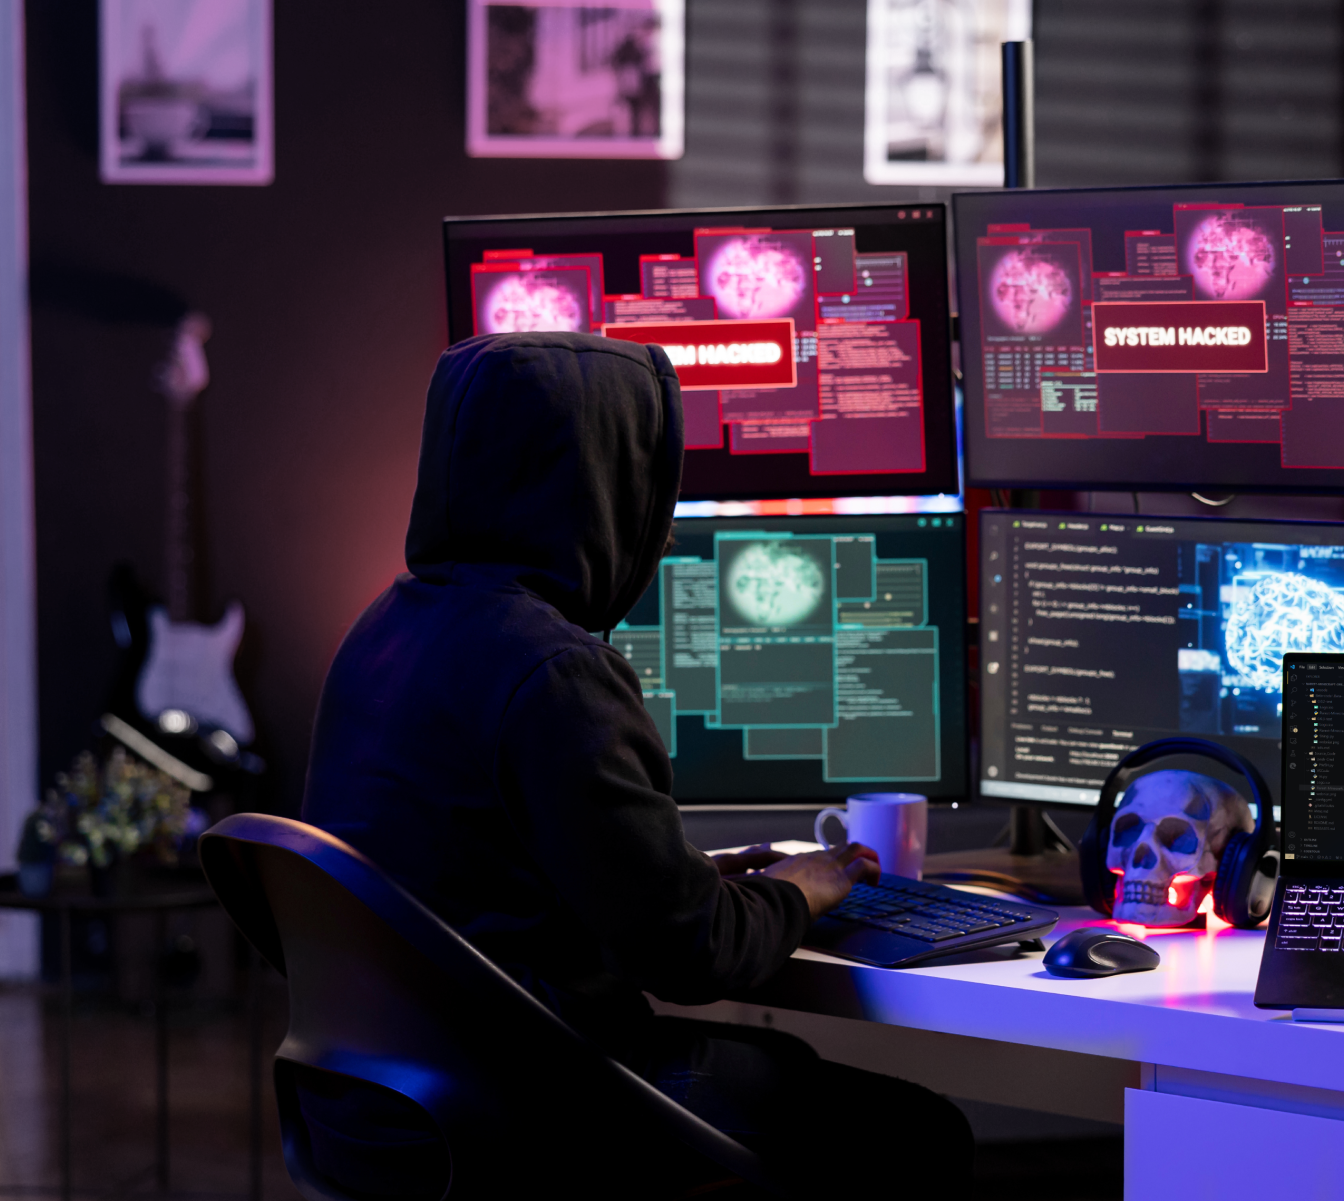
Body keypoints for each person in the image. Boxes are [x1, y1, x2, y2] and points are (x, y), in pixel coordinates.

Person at [301, 331, 972, 1193]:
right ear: (605, 485)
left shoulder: (385, 630)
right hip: (524, 1113)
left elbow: (489, 885)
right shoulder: (552, 670)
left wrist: (694, 877)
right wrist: (804, 887)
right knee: (918, 1134)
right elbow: (691, 957)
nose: (654, 529)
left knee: (778, 1064)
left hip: (374, 1104)